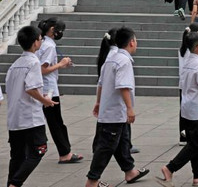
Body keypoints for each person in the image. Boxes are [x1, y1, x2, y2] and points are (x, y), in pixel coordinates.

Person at [85, 28, 149, 187]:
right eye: (135, 40)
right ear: (131, 42)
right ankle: (92, 181)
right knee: (106, 147)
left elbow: (100, 84)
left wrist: (99, 102)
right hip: (115, 111)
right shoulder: (123, 61)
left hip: (110, 110)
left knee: (121, 141)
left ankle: (130, 171)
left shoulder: (111, 58)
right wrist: (130, 108)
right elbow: (123, 86)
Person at [156, 32, 198, 187]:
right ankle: (170, 168)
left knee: (195, 143)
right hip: (196, 110)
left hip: (186, 108)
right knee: (196, 145)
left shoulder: (188, 61)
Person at [7, 25, 56, 187]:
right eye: (40, 39)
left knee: (18, 156)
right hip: (31, 118)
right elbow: (30, 88)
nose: (41, 42)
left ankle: (11, 184)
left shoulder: (15, 65)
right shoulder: (34, 62)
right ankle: (15, 183)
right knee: (38, 151)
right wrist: (46, 101)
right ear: (35, 43)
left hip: (14, 118)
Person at [36, 18, 82, 164]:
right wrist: (61, 64)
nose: (61, 33)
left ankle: (66, 151)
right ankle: (65, 153)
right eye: (60, 30)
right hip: (48, 89)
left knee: (53, 121)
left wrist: (60, 64)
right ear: (52, 29)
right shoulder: (49, 46)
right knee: (56, 123)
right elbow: (42, 70)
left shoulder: (42, 43)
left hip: (43, 87)